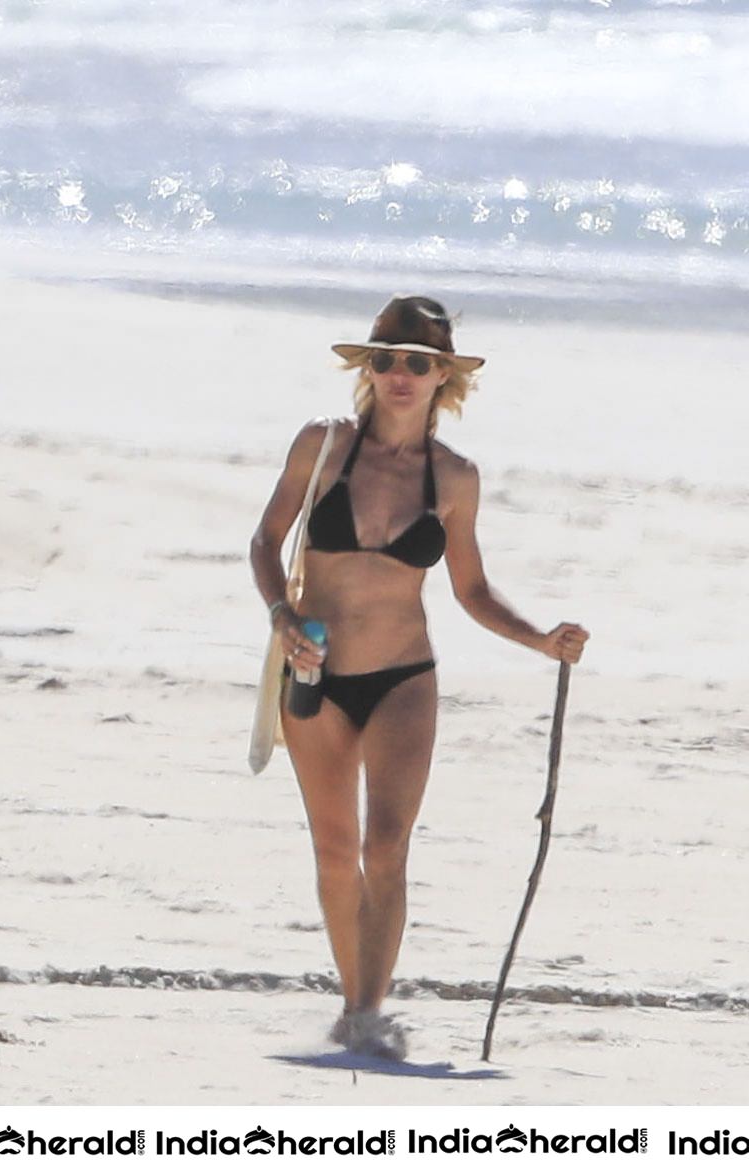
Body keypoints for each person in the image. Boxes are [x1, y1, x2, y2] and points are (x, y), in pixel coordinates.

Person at [248, 295, 590, 1059]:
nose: (399, 374)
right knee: (335, 852)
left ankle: (368, 1013)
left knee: (386, 848)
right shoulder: (323, 446)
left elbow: (470, 590)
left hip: (404, 677)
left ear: (444, 378)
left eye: (417, 363)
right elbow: (266, 540)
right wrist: (280, 613)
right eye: (385, 360)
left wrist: (539, 638)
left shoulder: (455, 479)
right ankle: (352, 999)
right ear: (366, 369)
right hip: (315, 672)